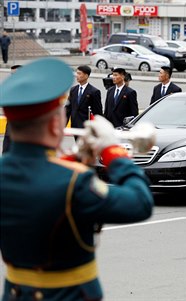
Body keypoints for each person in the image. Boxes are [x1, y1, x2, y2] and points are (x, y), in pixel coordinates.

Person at [0, 57, 154, 301]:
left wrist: (76, 157)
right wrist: (113, 151)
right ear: (54, 125)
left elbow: (38, 176)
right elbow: (140, 203)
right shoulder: (75, 182)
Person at [66, 65, 103, 130]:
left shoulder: (94, 92)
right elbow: (68, 109)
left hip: (86, 126)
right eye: (77, 73)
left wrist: (98, 128)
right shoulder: (73, 90)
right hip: (74, 125)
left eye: (79, 73)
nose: (77, 75)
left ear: (86, 76)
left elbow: (97, 112)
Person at [2, 65, 22, 154]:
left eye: (14, 74)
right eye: (11, 74)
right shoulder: (10, 89)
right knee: (6, 151)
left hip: (24, 130)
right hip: (10, 128)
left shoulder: (30, 91)